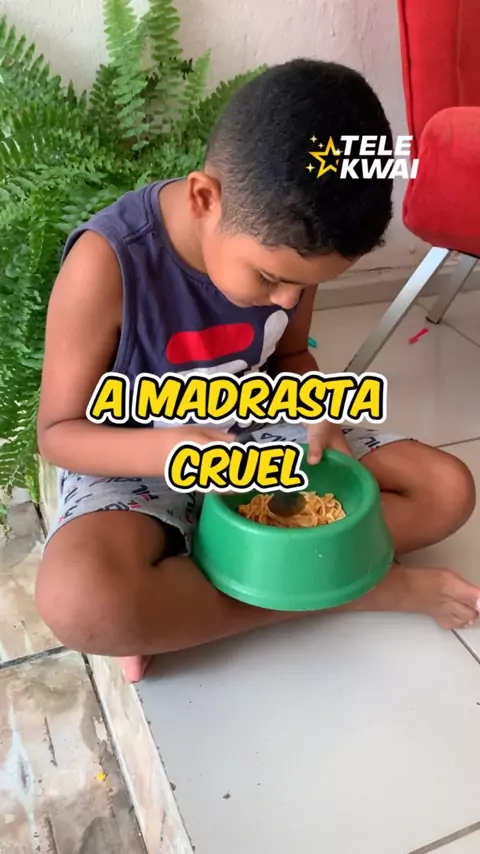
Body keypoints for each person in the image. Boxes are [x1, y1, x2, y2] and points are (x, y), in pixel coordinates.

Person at [36, 59, 478, 684]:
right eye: (271, 278)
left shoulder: (294, 249)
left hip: (256, 426)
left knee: (445, 490)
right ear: (204, 198)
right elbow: (58, 433)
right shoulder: (106, 265)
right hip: (136, 447)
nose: (288, 301)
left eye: (305, 286)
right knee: (82, 600)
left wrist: (324, 416)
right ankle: (349, 589)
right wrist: (171, 452)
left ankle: (190, 606)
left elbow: (291, 359)